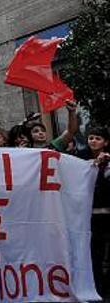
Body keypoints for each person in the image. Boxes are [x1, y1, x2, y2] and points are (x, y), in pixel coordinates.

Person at [79, 126, 110, 298]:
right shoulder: (80, 159)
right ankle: (98, 288)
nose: (93, 141)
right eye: (91, 137)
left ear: (105, 142)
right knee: (95, 254)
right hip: (90, 216)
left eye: (98, 138)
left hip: (107, 214)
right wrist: (93, 166)